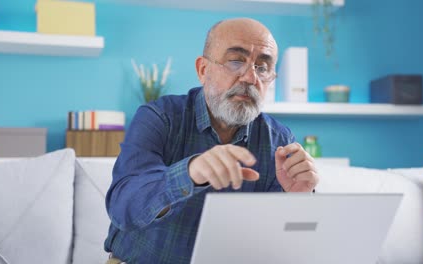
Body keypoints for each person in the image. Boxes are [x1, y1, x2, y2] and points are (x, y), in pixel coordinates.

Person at [104, 17, 319, 264]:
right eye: (236, 61)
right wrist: (189, 173)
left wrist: (299, 200)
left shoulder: (279, 140)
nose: (250, 78)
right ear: (203, 70)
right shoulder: (159, 118)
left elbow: (278, 248)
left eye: (262, 67)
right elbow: (123, 208)